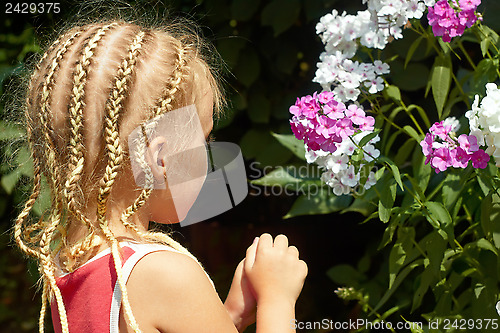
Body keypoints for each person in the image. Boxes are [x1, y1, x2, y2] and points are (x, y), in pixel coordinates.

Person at [15, 19, 307, 333]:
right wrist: (278, 299)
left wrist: (230, 315)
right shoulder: (164, 273)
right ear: (160, 158)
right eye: (204, 140)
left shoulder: (68, 264)